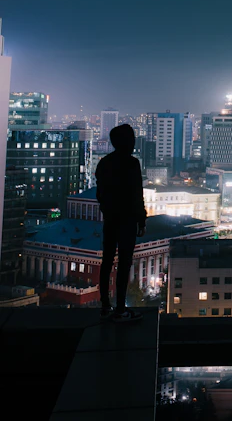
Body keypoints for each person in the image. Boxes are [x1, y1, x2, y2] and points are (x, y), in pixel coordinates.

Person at [96, 123, 147, 322]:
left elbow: (101, 193)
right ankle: (120, 308)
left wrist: (107, 210)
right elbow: (137, 194)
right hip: (127, 219)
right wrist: (141, 219)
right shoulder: (132, 164)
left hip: (110, 218)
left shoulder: (104, 163)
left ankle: (104, 305)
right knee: (124, 263)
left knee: (107, 260)